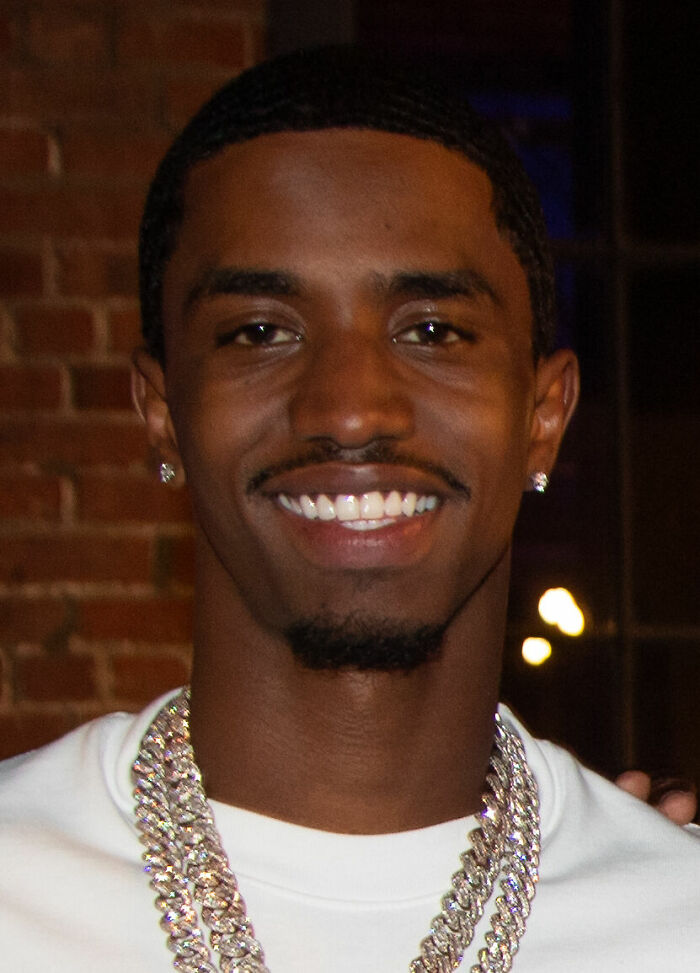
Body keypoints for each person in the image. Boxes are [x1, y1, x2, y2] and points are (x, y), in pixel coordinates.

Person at [0, 47, 698, 973]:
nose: (350, 409)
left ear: (542, 415)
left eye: (432, 330)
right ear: (161, 413)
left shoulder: (670, 919)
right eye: (260, 331)